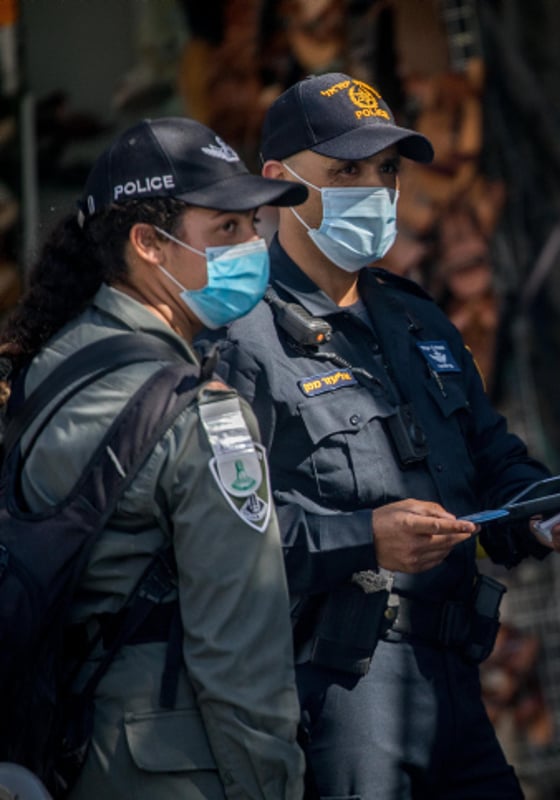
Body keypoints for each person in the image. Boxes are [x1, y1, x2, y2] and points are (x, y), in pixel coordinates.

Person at [208, 72, 560, 799]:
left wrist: (543, 515)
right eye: (347, 171)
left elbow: (492, 462)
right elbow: (216, 538)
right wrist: (364, 537)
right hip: (335, 687)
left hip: (452, 676)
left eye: (387, 170)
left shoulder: (418, 320)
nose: (375, 188)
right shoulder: (239, 338)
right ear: (276, 182)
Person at [0, 117, 309, 798]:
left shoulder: (48, 366)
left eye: (252, 226)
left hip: (68, 755)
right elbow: (241, 655)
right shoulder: (204, 417)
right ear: (149, 245)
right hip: (176, 771)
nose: (252, 244)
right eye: (225, 229)